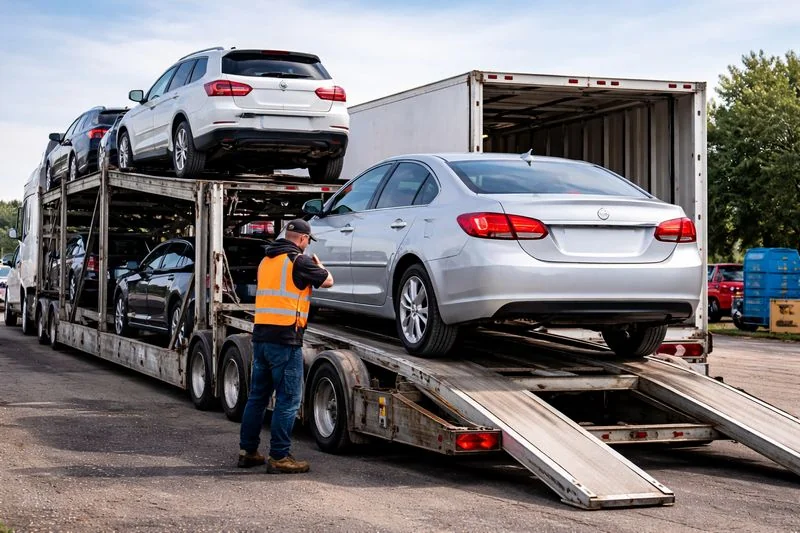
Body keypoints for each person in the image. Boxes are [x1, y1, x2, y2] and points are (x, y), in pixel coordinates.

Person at [238, 219, 333, 474]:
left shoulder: (267, 260)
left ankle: (248, 451)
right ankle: (279, 456)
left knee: (257, 397)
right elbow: (327, 281)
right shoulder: (298, 261)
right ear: (303, 239)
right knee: (288, 400)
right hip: (286, 341)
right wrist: (320, 266)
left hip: (261, 337)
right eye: (306, 242)